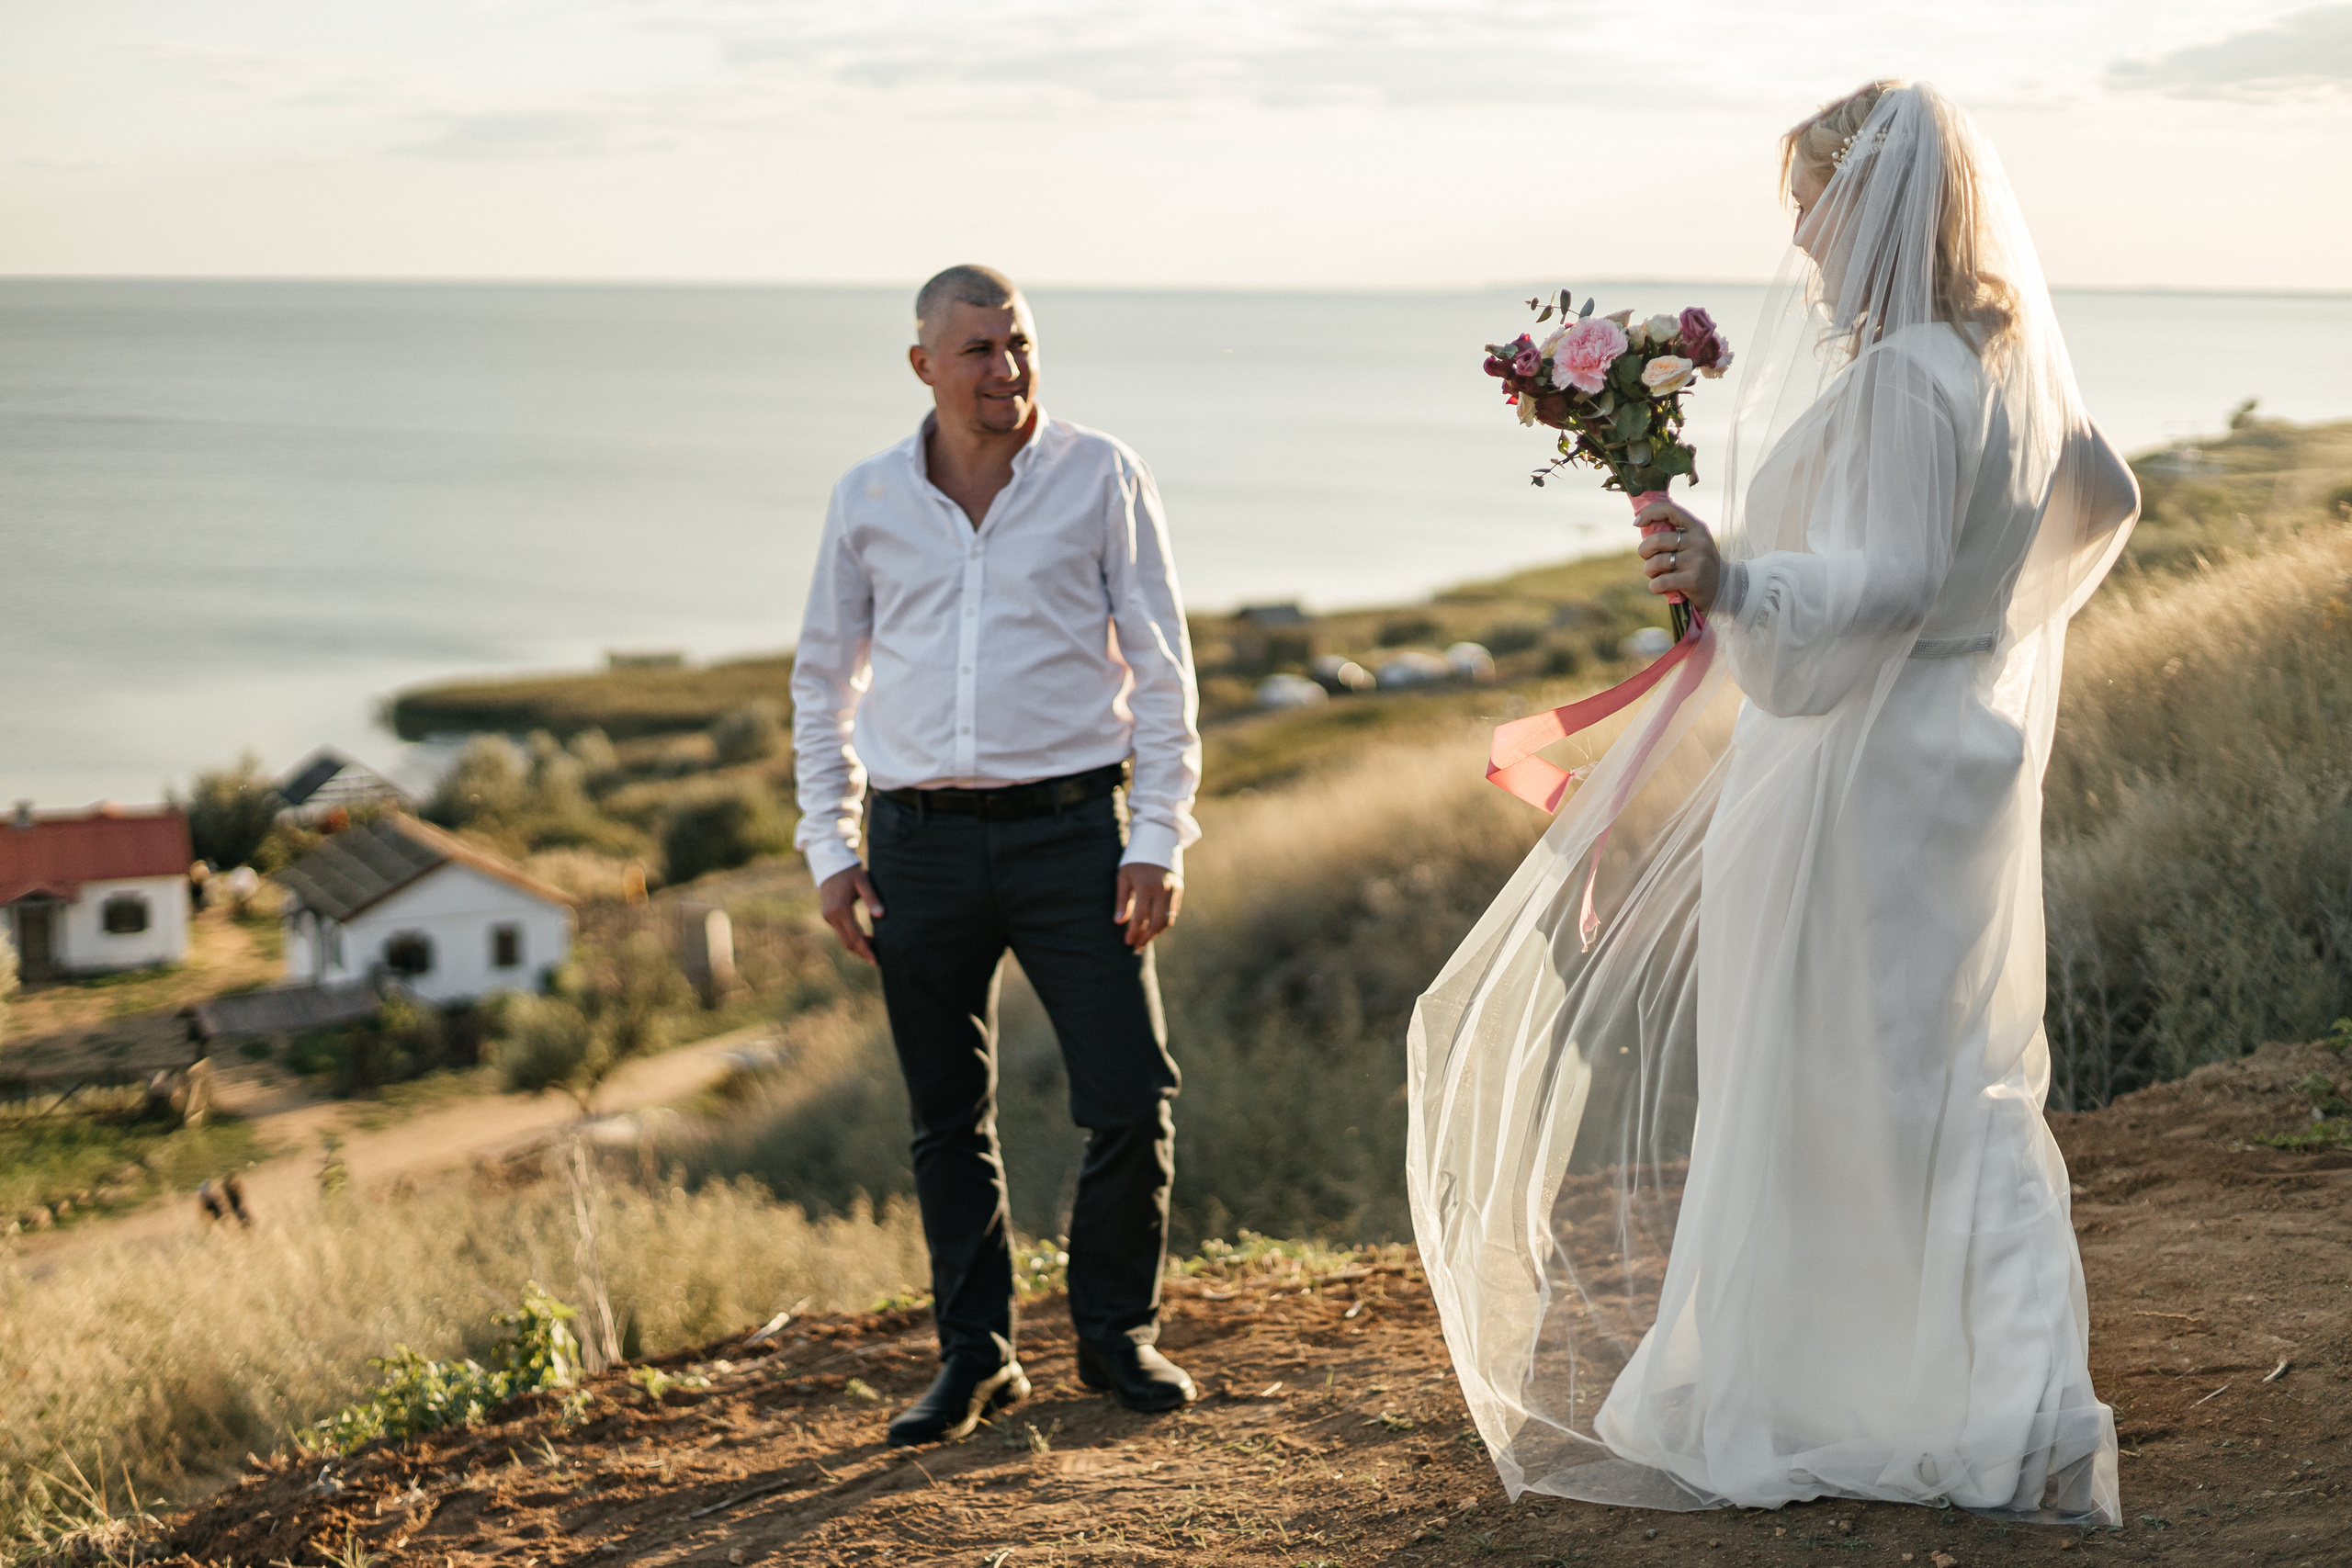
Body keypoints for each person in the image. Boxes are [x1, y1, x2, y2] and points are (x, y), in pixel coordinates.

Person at [1408, 81, 2139, 1526]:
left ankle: (1861, 1395)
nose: (1801, 240)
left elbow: (1888, 579)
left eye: (1813, 206)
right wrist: (1995, 628)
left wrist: (1735, 579)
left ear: (1872, 208)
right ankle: (2001, 1396)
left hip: (1865, 775)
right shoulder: (2003, 356)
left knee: (1839, 1066)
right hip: (1964, 753)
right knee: (1952, 1070)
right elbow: (2105, 496)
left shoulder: (1903, 377)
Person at [792, 264, 1204, 1446]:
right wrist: (828, 845)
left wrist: (1157, 835)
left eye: (1017, 342)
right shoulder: (868, 497)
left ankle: (1115, 1333)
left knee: (1129, 1095)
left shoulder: (1101, 474)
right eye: (977, 349)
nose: (1005, 368)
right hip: (914, 846)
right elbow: (822, 682)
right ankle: (976, 1357)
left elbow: (1163, 669)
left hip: (1074, 838)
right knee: (944, 1117)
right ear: (922, 363)